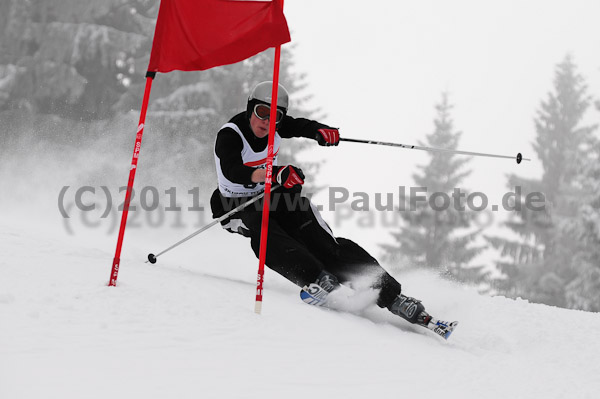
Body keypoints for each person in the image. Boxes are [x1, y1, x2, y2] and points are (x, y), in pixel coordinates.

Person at [210, 81, 457, 339]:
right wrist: (276, 174)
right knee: (263, 230)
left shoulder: (276, 125)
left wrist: (323, 132)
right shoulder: (230, 135)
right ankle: (317, 278)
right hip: (235, 205)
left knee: (316, 235)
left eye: (276, 117)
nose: (267, 122)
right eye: (262, 113)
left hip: (272, 194)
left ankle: (392, 294)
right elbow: (233, 171)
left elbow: (303, 126)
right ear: (251, 109)